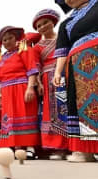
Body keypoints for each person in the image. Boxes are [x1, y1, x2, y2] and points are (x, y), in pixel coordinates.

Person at [53, 0, 98, 162]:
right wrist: (58, 72)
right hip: (77, 65)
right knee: (79, 104)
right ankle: (85, 150)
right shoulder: (66, 23)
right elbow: (62, 50)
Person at [0, 26, 41, 158]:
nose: (7, 41)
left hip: (22, 87)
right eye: (4, 40)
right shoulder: (0, 58)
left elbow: (31, 70)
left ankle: (30, 147)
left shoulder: (24, 51)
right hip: (6, 91)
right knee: (11, 119)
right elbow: (0, 79)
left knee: (26, 114)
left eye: (10, 38)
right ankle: (17, 147)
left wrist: (30, 88)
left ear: (16, 38)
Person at [32, 9, 68, 160]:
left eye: (45, 23)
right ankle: (58, 148)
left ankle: (73, 145)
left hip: (66, 74)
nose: (42, 27)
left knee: (69, 109)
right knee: (52, 112)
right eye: (39, 26)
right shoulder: (37, 47)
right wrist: (39, 83)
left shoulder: (63, 38)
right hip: (48, 79)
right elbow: (36, 66)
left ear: (53, 22)